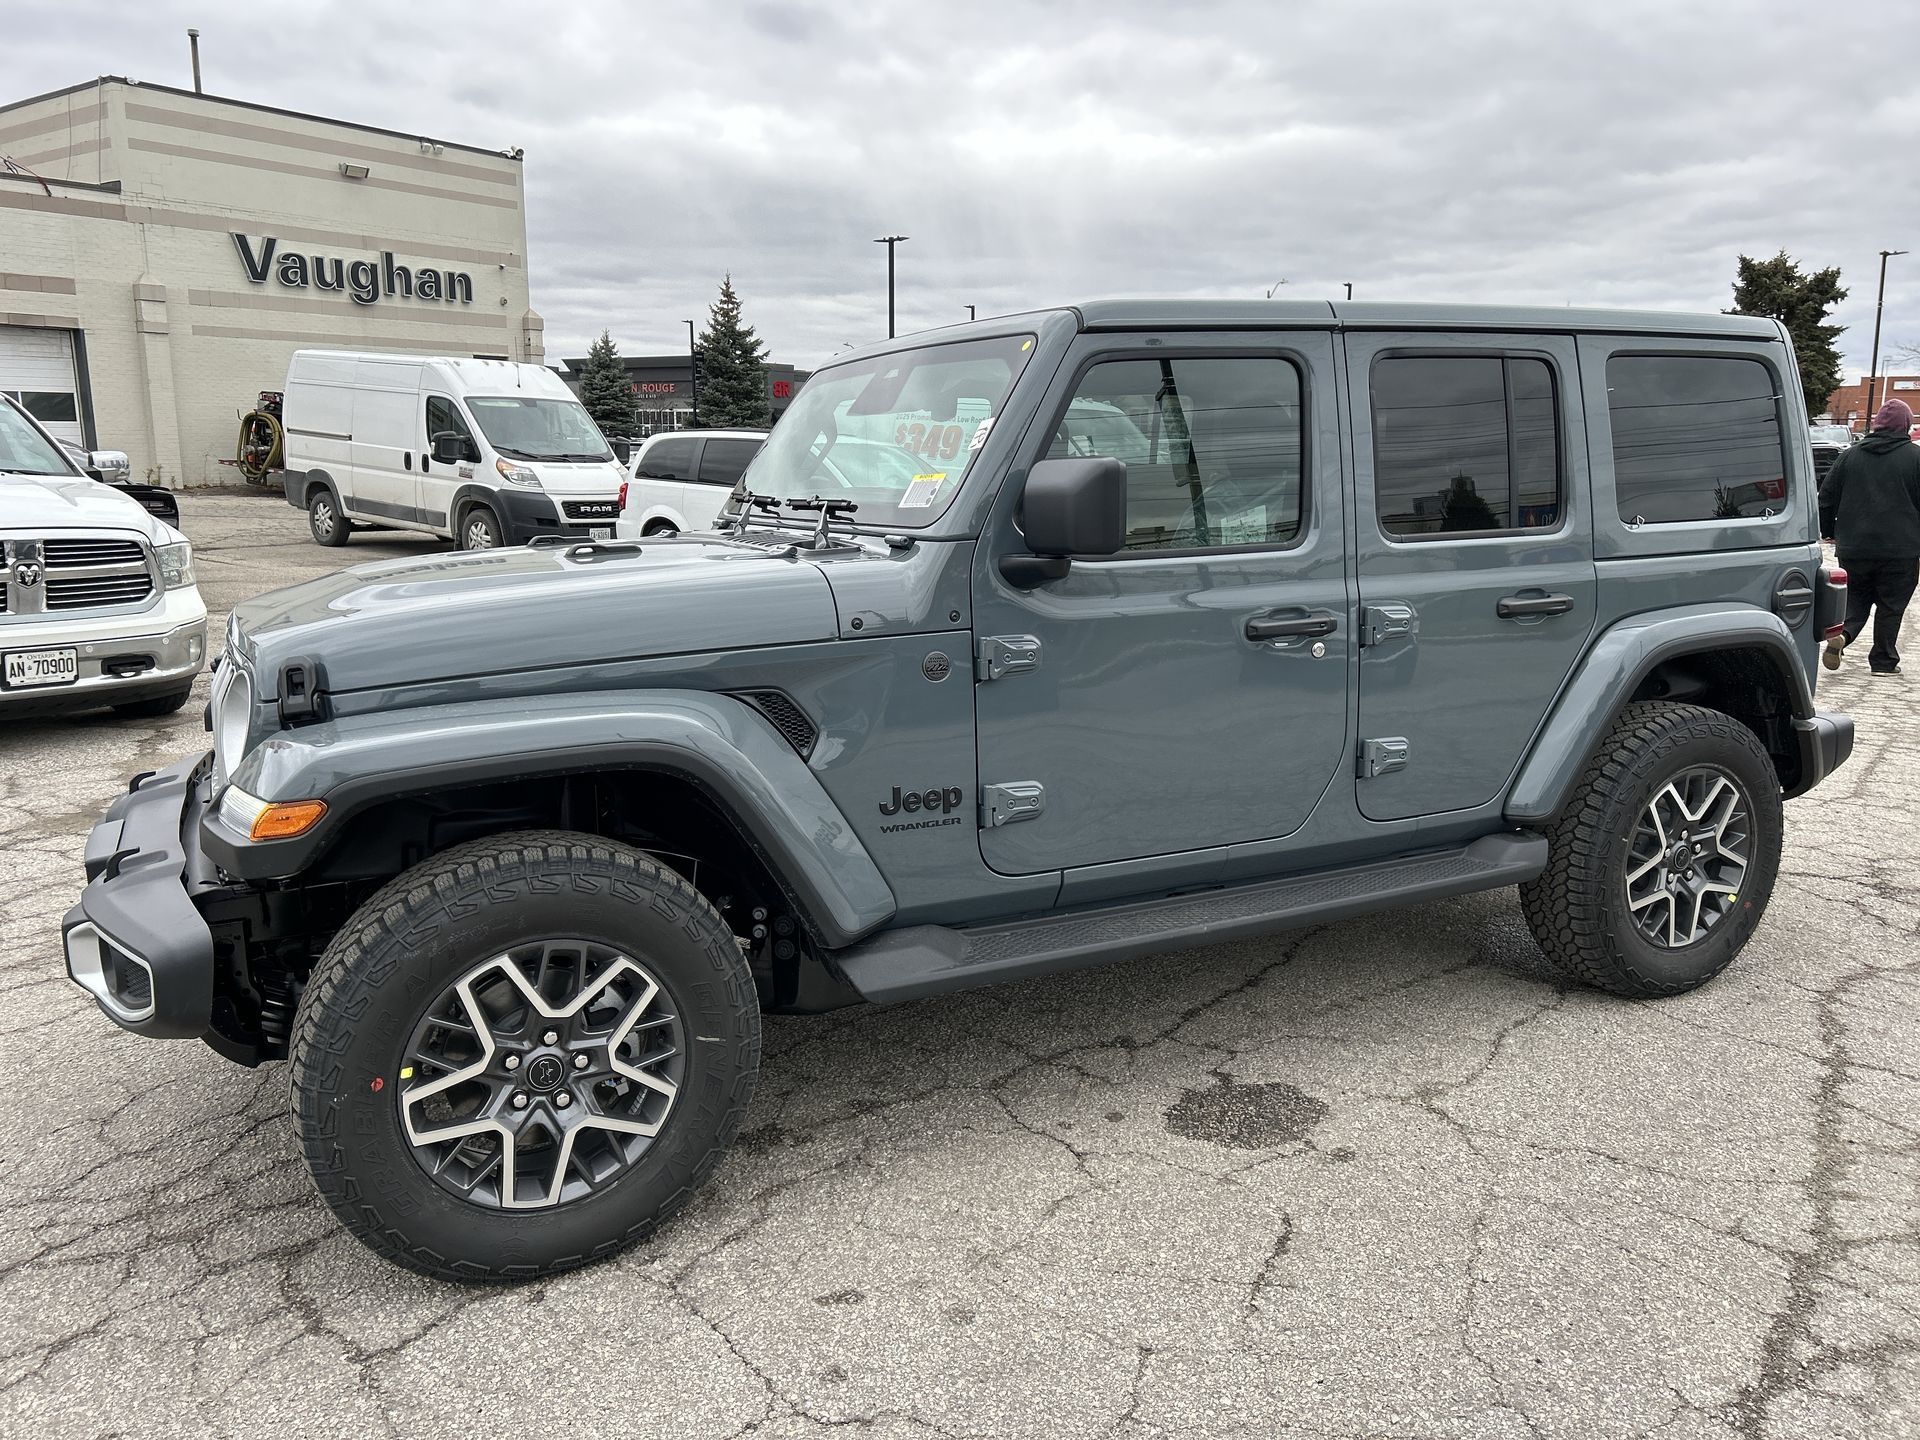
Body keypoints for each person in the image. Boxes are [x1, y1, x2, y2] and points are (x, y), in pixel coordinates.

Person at [1820, 397, 1920, 675]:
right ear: (1906, 426)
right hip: (1901, 549)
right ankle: (1883, 661)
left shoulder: (1849, 456)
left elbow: (1825, 498)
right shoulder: (1915, 458)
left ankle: (1844, 636)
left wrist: (1829, 532)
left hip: (1854, 547)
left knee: (1856, 599)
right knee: (1891, 605)